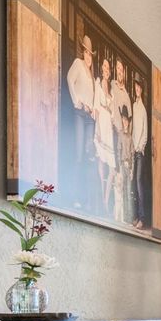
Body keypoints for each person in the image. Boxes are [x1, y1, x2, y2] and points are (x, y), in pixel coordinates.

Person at [65, 34, 95, 207]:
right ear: (83, 52)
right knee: (78, 154)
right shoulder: (78, 63)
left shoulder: (91, 75)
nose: (89, 57)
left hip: (89, 117)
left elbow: (92, 97)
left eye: (91, 54)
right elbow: (69, 79)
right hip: (79, 113)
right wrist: (77, 101)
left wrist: (92, 108)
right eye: (87, 53)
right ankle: (74, 197)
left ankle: (86, 199)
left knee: (88, 155)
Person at [92, 57, 117, 214]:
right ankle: (101, 199)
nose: (106, 69)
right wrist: (99, 130)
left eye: (108, 67)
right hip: (101, 124)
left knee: (112, 167)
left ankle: (106, 200)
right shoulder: (98, 83)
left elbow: (113, 114)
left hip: (109, 127)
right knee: (101, 161)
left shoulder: (111, 91)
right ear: (101, 68)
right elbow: (96, 106)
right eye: (105, 66)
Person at [131, 74, 149, 230]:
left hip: (140, 152)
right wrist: (133, 145)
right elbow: (133, 129)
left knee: (138, 182)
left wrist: (140, 146)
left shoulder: (142, 109)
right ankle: (136, 216)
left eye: (139, 87)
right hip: (133, 150)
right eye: (135, 86)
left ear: (142, 90)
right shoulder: (134, 106)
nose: (137, 89)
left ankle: (142, 218)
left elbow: (145, 132)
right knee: (133, 184)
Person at [114, 104, 134, 224]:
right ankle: (120, 217)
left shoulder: (130, 137)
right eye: (123, 120)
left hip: (128, 166)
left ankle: (128, 218)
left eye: (126, 120)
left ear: (128, 122)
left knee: (128, 191)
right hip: (122, 165)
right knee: (121, 191)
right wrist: (119, 166)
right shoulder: (120, 134)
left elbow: (132, 153)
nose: (124, 122)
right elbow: (118, 150)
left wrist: (131, 169)